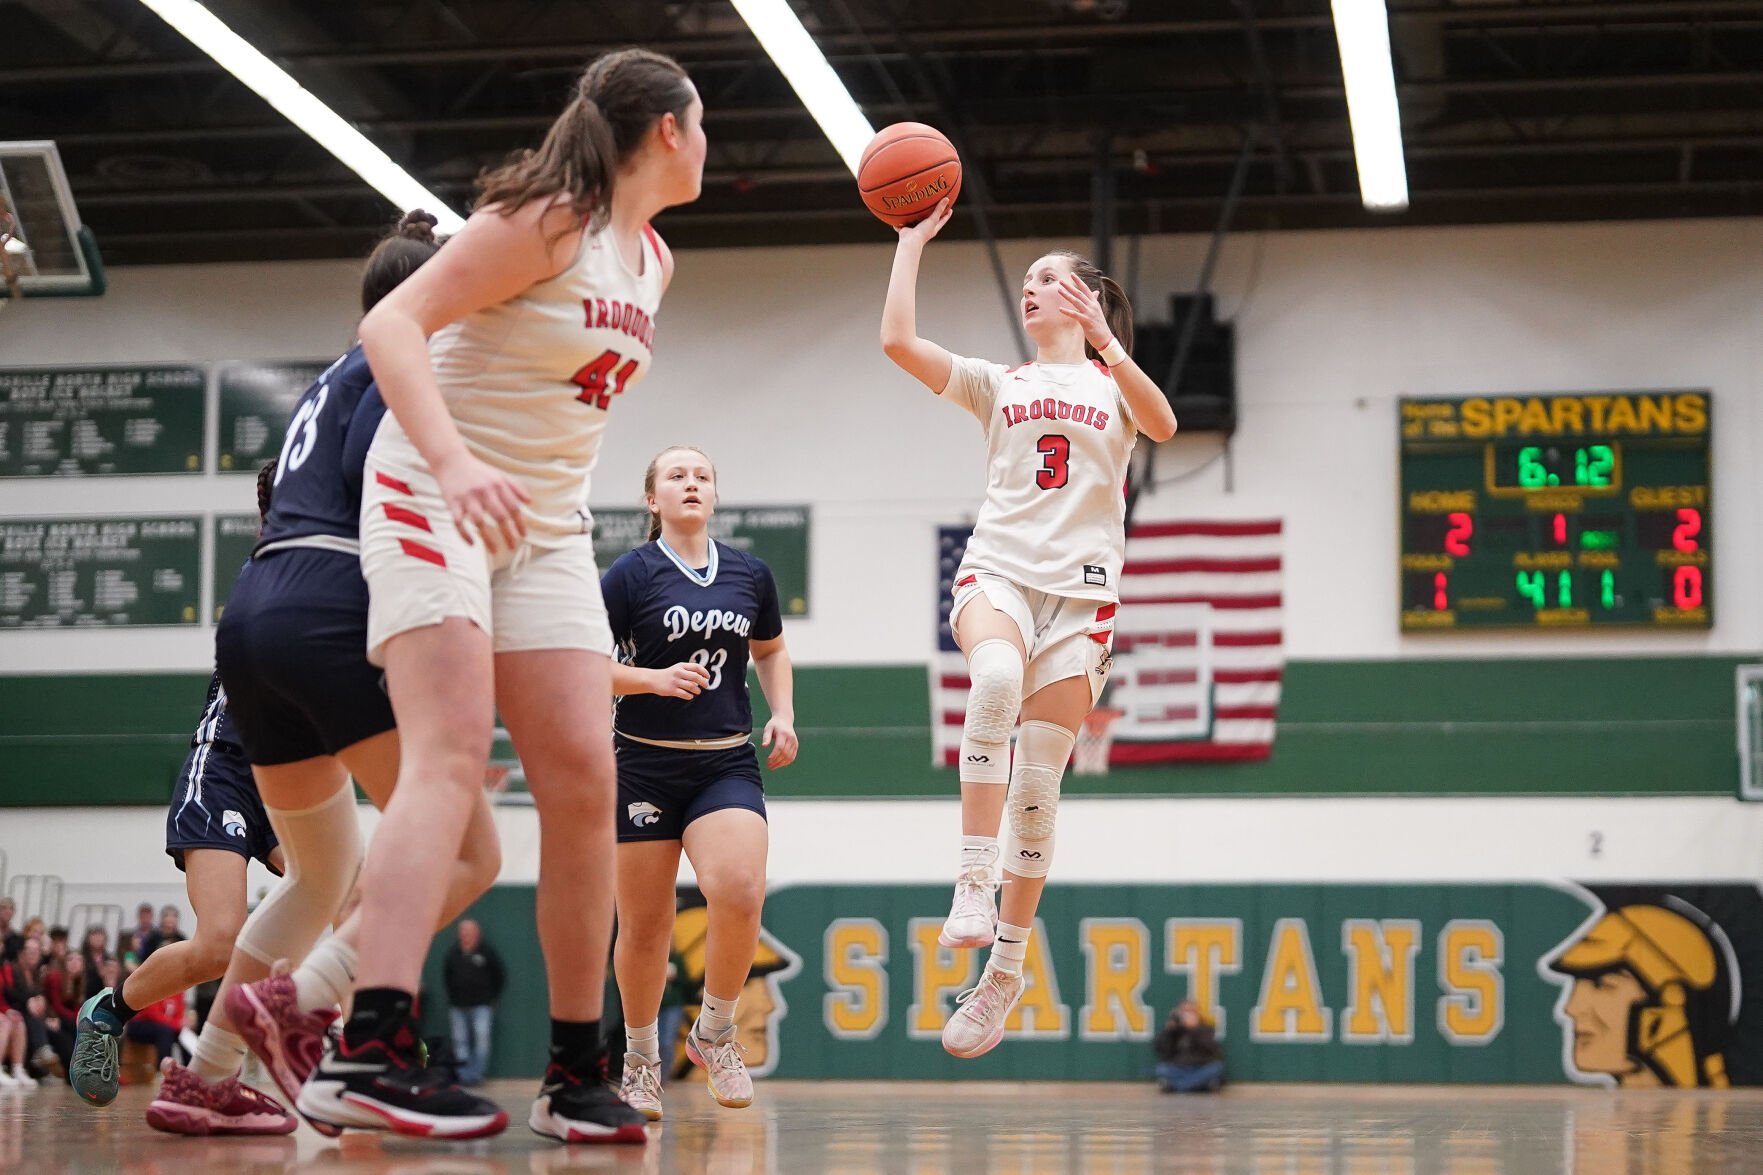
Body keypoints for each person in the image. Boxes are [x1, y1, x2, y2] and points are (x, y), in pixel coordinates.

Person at [304, 47, 705, 1145]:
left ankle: (575, 1069)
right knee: (449, 749)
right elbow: (391, 325)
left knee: (583, 774)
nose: (707, 142)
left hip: (544, 526)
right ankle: (367, 1043)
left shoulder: (650, 258)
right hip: (434, 489)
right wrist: (451, 462)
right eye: (702, 123)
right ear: (667, 130)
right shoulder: (547, 219)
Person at [73, 212, 501, 1137]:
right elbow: (383, 502)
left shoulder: (332, 375)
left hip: (256, 615)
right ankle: (316, 1014)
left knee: (320, 874)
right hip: (328, 606)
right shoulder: (403, 360)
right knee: (470, 851)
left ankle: (205, 1074)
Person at [880, 199, 1177, 1058]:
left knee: (1041, 782)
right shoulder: (997, 381)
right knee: (995, 683)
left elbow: (1161, 424)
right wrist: (909, 246)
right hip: (998, 572)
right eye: (1027, 280)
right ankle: (972, 878)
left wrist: (1110, 346)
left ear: (1084, 300)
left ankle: (1004, 971)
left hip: (1082, 599)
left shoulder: (1113, 386)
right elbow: (899, 343)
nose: (1031, 288)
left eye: (1048, 277)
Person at [605, 447, 797, 1120]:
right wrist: (652, 679)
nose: (691, 483)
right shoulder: (629, 574)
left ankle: (714, 1030)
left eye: (703, 475)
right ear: (651, 499)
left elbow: (770, 651)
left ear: (714, 495)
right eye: (676, 476)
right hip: (643, 762)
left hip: (723, 760)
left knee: (739, 889)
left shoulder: (750, 572)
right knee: (647, 925)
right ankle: (638, 1058)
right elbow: (583, 665)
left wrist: (784, 713)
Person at [443, 919, 505, 1085]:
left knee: (482, 1041)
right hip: (458, 1007)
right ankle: (463, 1076)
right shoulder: (453, 954)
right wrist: (453, 998)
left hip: (481, 1006)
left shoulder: (487, 953)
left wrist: (491, 998)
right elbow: (447, 978)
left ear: (477, 934)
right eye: (463, 932)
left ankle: (476, 1076)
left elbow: (498, 976)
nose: (466, 935)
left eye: (469, 932)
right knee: (460, 1043)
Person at [1153, 1000, 1225, 1092]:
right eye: (1184, 1012)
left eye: (1190, 1012)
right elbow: (1160, 1048)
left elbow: (1213, 1050)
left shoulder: (1206, 1028)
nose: (1187, 1015)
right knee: (1161, 1069)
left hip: (1199, 1067)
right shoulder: (1174, 1030)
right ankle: (1198, 1086)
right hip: (1178, 1068)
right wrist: (1169, 1031)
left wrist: (1195, 1030)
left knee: (1216, 1068)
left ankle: (1179, 1087)